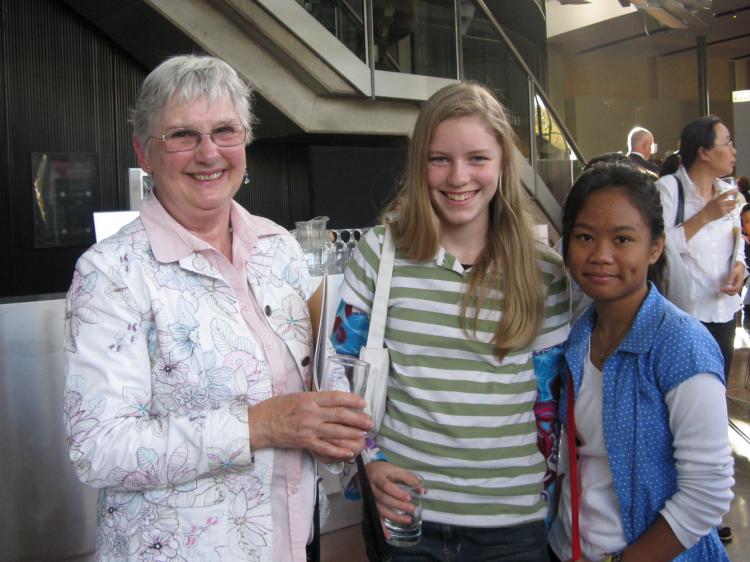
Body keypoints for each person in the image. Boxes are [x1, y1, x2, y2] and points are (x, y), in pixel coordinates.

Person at [63, 54, 371, 562]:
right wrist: (263, 424)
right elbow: (100, 449)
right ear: (145, 152)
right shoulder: (110, 273)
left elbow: (323, 368)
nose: (209, 153)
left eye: (225, 131)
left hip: (294, 537)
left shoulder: (280, 249)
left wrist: (342, 421)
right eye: (182, 135)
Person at [333, 82, 570, 561]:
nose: (458, 177)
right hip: (404, 516)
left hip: (512, 524)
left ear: (503, 163)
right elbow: (338, 375)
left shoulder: (544, 271)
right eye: (440, 159)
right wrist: (368, 464)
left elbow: (549, 409)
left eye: (477, 159)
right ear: (419, 163)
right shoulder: (379, 253)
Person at [549, 162, 734, 562]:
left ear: (655, 247)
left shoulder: (680, 346)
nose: (600, 255)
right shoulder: (577, 336)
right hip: (569, 548)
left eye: (622, 239)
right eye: (584, 236)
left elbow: (708, 492)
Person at [656, 116, 743, 378]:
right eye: (727, 143)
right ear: (704, 152)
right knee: (686, 390)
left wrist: (739, 267)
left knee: (718, 388)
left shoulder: (728, 191)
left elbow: (736, 243)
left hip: (724, 310)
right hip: (684, 313)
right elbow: (657, 247)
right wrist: (705, 216)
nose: (733, 150)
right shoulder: (668, 189)